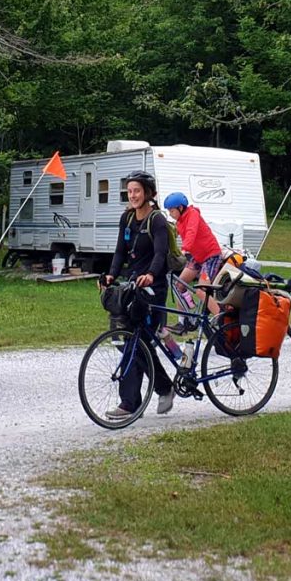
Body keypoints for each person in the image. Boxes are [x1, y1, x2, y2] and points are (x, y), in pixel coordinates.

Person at [103, 171, 175, 421]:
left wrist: (152, 274)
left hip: (153, 289)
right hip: (132, 287)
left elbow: (160, 253)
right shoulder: (127, 218)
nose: (132, 195)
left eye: (137, 191)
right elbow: (120, 251)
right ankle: (162, 388)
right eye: (130, 191)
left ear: (148, 193)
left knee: (138, 340)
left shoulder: (157, 220)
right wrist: (111, 275)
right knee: (129, 341)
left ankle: (131, 402)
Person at [163, 192, 223, 329]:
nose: (170, 214)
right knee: (179, 285)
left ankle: (222, 320)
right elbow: (174, 234)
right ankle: (183, 322)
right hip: (198, 257)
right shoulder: (179, 221)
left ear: (180, 208)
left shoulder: (193, 214)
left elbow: (191, 231)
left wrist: (184, 249)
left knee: (201, 291)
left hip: (211, 256)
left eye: (172, 210)